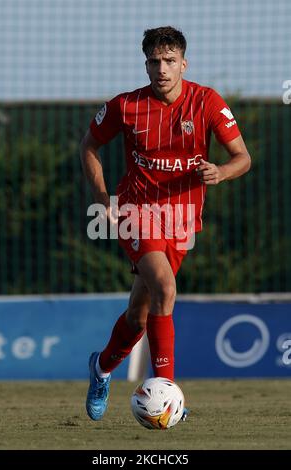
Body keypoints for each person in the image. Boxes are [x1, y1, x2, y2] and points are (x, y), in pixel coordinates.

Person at [80, 26, 251, 421]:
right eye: (154, 62)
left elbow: (242, 157)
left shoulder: (207, 102)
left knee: (140, 315)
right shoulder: (126, 106)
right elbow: (89, 145)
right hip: (135, 212)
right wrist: (102, 198)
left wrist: (221, 173)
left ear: (183, 64)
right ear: (146, 65)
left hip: (181, 221)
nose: (162, 69)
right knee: (166, 288)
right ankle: (168, 397)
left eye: (169, 61)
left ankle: (101, 367)